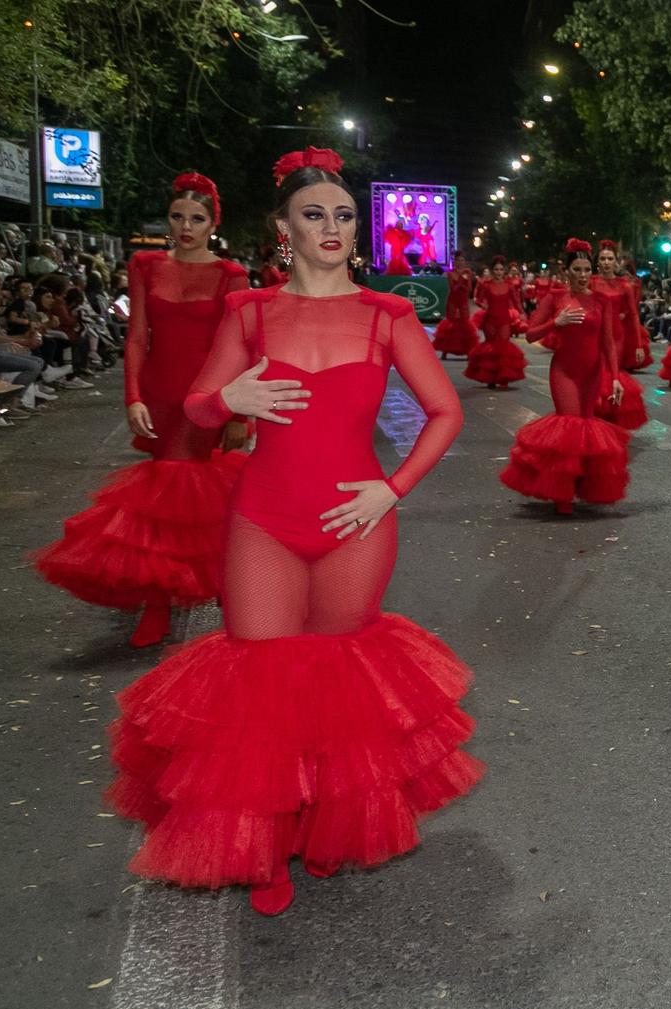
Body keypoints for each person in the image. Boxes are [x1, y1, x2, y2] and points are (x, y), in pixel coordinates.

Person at [107, 147, 479, 917]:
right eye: (315, 214)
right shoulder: (249, 311)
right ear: (284, 227)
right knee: (261, 684)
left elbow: (447, 412)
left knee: (335, 685)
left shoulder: (389, 315)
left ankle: (319, 821)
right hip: (263, 522)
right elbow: (202, 406)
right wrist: (227, 396)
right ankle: (266, 846)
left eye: (344, 215)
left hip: (355, 524)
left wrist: (392, 487)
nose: (333, 227)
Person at [33, 173, 248, 648]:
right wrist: (132, 396)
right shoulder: (145, 264)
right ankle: (183, 596)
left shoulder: (231, 274)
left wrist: (237, 412)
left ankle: (178, 601)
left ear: (213, 223)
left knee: (184, 491)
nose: (185, 227)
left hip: (206, 395)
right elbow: (135, 338)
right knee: (175, 500)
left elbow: (238, 345)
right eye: (177, 217)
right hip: (159, 393)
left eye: (196, 219)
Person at [499, 240, 629, 515]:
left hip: (592, 373)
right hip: (564, 372)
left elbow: (607, 342)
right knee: (568, 428)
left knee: (585, 429)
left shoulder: (602, 300)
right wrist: (555, 324)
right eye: (577, 269)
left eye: (586, 269)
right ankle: (562, 496)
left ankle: (580, 487)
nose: (583, 275)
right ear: (567, 270)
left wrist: (615, 378)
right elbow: (530, 334)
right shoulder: (556, 297)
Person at [589, 243, 648, 432]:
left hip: (616, 336)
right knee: (594, 374)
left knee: (611, 374)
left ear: (616, 262)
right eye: (603, 259)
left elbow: (633, 315)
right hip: (593, 335)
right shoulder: (591, 282)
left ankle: (609, 417)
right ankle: (594, 415)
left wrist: (639, 345)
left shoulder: (625, 286)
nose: (606, 262)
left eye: (610, 259)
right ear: (598, 262)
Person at [464, 257, 527, 389]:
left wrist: (522, 313)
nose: (498, 272)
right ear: (492, 271)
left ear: (504, 271)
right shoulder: (486, 285)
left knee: (503, 346)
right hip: (490, 320)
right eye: (496, 269)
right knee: (491, 348)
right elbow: (477, 300)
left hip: (504, 320)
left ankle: (503, 378)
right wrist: (483, 306)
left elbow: (516, 301)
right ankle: (490, 378)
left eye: (501, 269)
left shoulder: (509, 286)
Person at [430, 260, 479, 359]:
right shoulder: (450, 274)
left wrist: (465, 280)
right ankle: (445, 351)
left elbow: (469, 289)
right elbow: (453, 288)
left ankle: (467, 350)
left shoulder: (467, 273)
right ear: (455, 263)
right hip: (453, 299)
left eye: (462, 261)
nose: (461, 263)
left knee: (464, 323)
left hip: (463, 300)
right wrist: (461, 280)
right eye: (458, 261)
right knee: (451, 324)